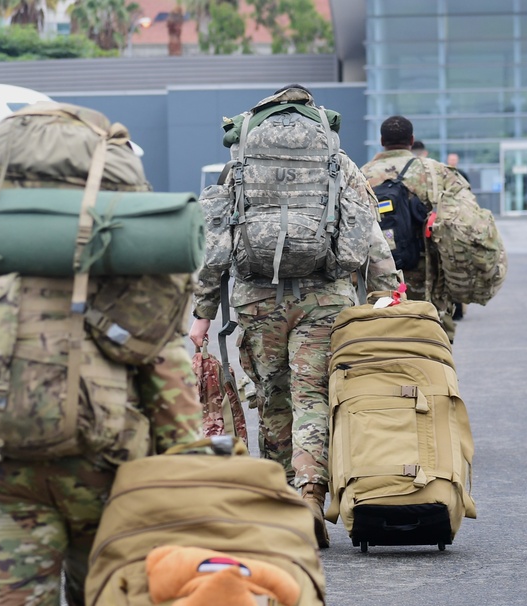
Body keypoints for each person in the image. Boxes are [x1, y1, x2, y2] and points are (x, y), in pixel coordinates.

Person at [0, 105, 203, 606]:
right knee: (107, 595)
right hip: (104, 463)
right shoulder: (124, 241)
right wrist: (187, 469)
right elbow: (163, 362)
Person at [189, 85, 400, 549]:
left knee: (271, 395)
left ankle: (285, 499)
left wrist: (203, 312)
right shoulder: (336, 164)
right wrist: (388, 294)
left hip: (257, 299)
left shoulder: (240, 167)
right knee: (313, 394)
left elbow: (216, 245)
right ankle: (311, 493)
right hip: (324, 297)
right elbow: (367, 233)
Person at [360, 115, 464, 342]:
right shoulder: (436, 173)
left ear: (381, 140)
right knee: (432, 343)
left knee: (389, 342)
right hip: (428, 278)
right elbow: (463, 222)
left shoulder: (360, 174)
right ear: (412, 139)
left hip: (380, 281)